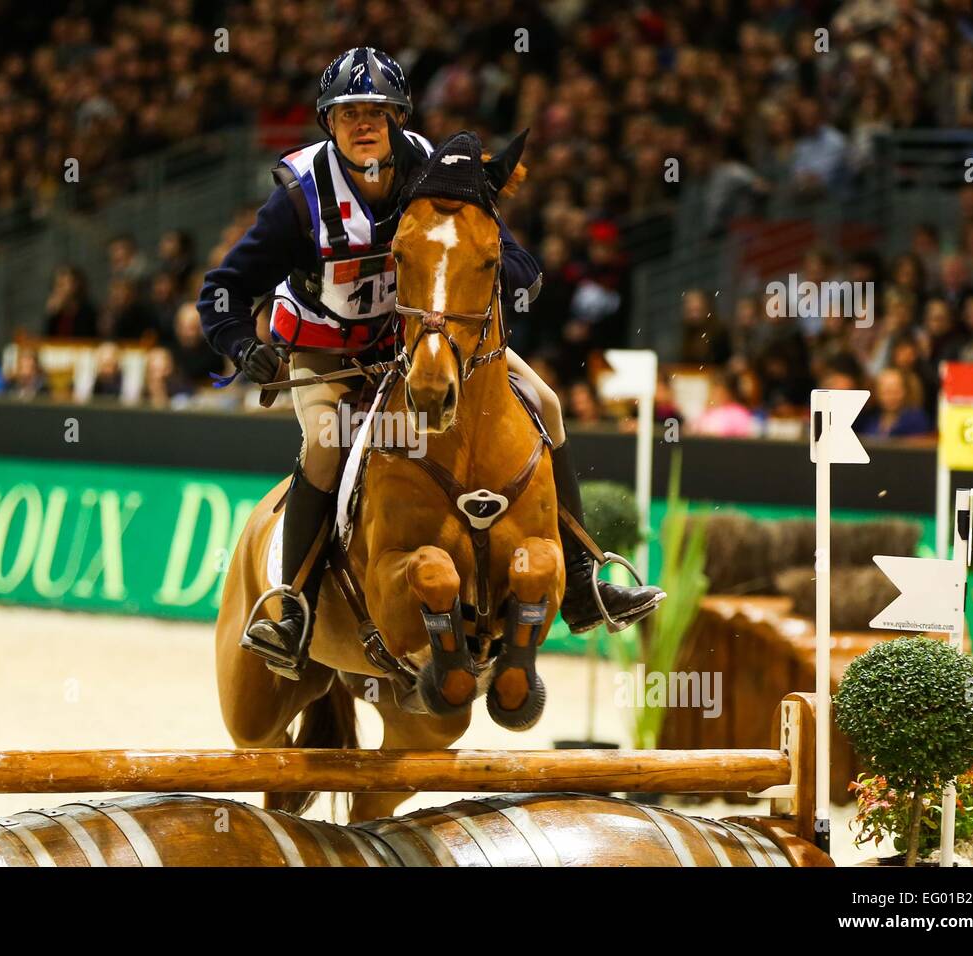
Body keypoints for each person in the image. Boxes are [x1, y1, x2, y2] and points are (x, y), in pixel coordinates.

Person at [198, 48, 662, 676]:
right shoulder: (299, 201)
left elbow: (501, 249)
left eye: (377, 113)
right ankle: (292, 607)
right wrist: (239, 344)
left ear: (397, 120)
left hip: (419, 343)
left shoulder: (431, 168)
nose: (364, 124)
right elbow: (223, 287)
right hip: (325, 350)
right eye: (349, 114)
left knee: (547, 403)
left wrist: (504, 271)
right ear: (328, 125)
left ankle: (582, 579)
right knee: (330, 443)